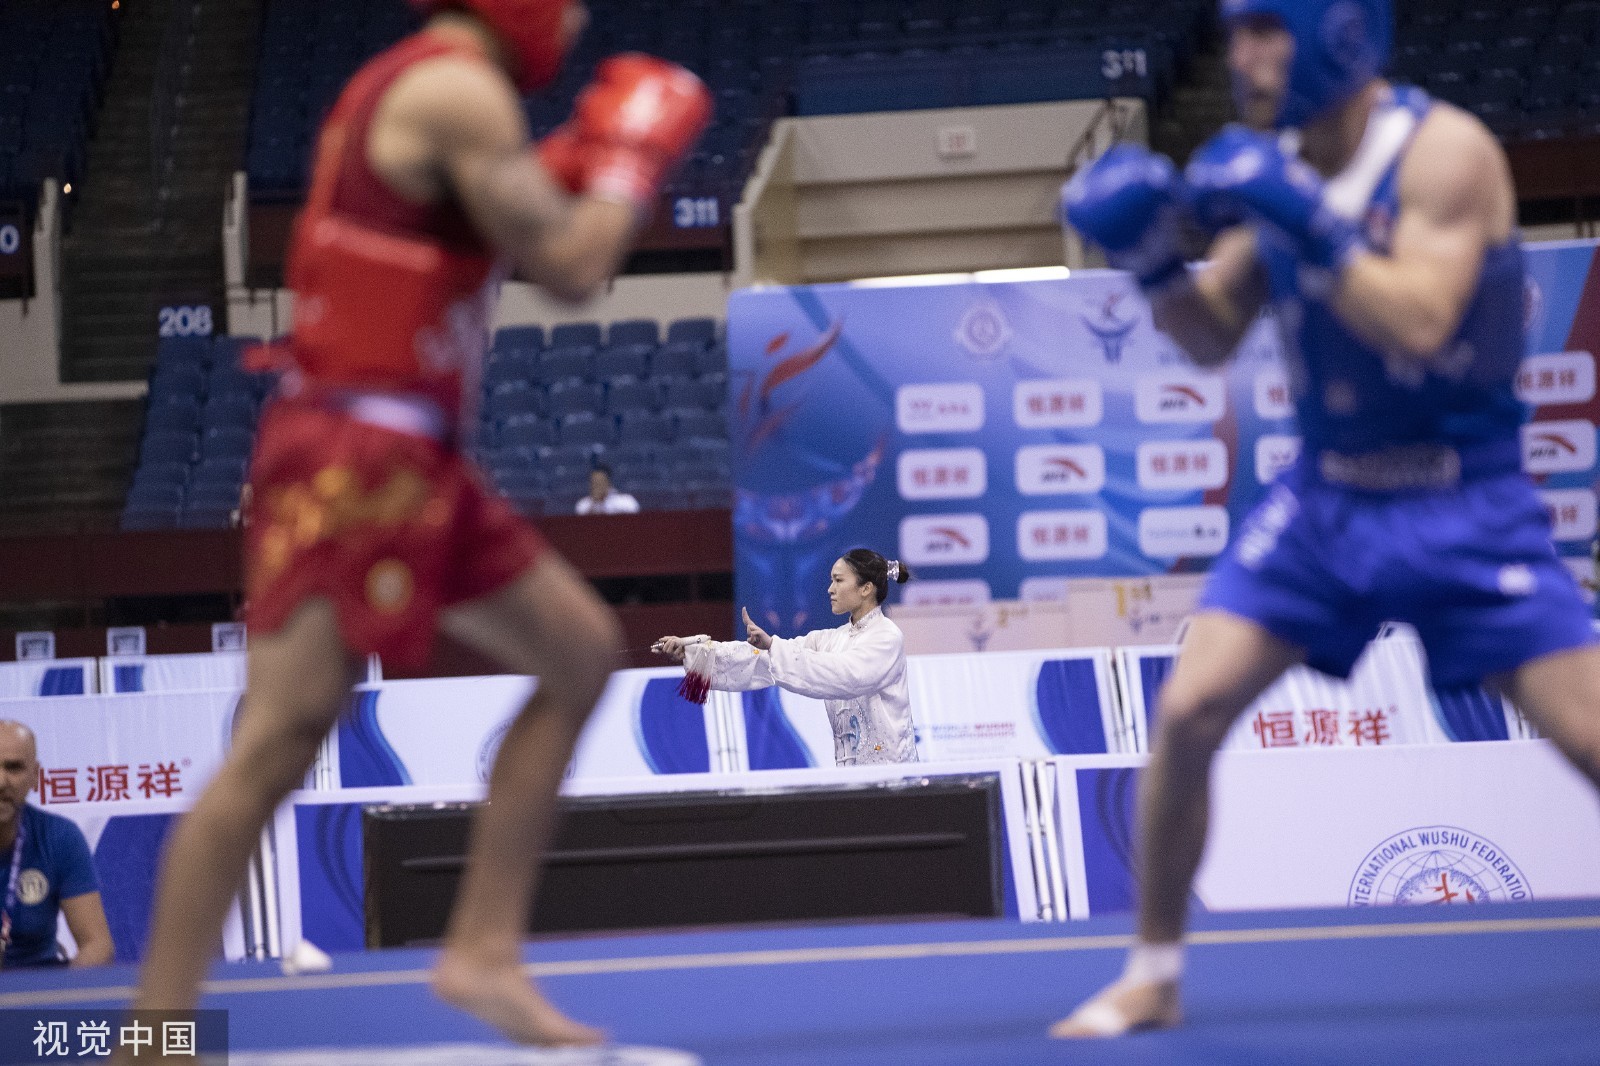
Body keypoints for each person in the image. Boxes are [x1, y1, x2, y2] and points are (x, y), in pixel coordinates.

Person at [118, 0, 709, 1054]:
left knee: (579, 652)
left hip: (411, 453)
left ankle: (482, 952)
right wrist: (627, 159)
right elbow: (575, 267)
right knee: (276, 742)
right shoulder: (457, 92)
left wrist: (570, 159)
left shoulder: (427, 90)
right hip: (356, 455)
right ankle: (150, 1037)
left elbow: (488, 231)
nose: (576, 20)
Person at [1053, 0, 1600, 1038]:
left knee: (1587, 734)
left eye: (1268, 30)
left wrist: (1303, 214)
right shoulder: (1283, 167)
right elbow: (1210, 337)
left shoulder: (1440, 153)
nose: (1244, 57)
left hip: (1462, 498)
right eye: (1235, 35)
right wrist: (1155, 265)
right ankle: (1153, 972)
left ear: (1340, 31)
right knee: (1188, 711)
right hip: (1325, 498)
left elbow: (1424, 320)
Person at [654, 549, 919, 765]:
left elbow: (846, 676)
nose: (830, 589)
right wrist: (695, 650)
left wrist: (774, 646)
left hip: (894, 778)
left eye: (839, 581)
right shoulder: (830, 639)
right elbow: (763, 660)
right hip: (852, 779)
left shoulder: (887, 637)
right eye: (831, 580)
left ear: (866, 589)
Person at [0, 721, 114, 970]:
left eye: (14, 767)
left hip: (41, 985)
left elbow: (97, 945)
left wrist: (63, 988)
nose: (1, 782)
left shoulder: (59, 836)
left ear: (35, 776)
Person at [575, 463, 639, 514]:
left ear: (609, 482)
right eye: (594, 482)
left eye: (601, 481)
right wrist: (594, 503)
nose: (597, 485)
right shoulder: (584, 504)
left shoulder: (626, 500)